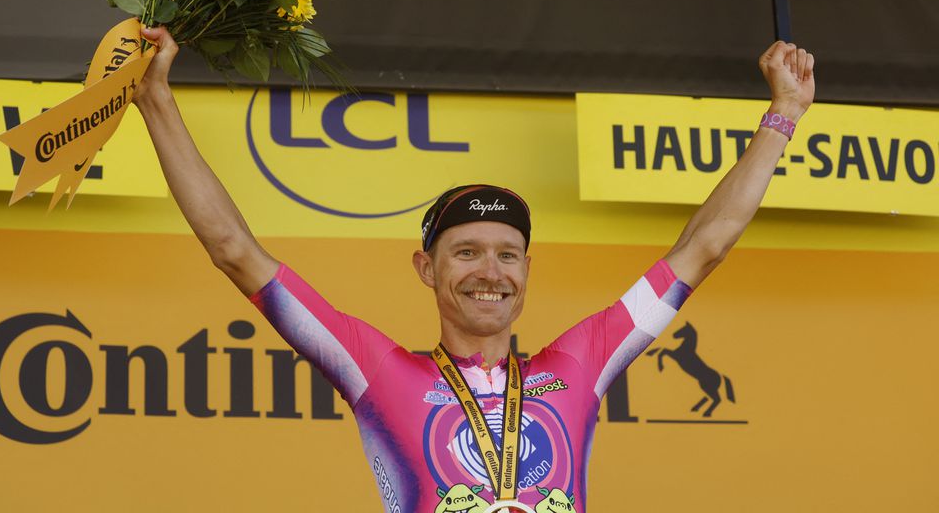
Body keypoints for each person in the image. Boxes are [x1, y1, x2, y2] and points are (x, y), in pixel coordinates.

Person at [134, 27, 814, 513]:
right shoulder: (378, 370)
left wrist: (783, 115)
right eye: (466, 252)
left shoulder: (578, 365)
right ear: (425, 268)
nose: (491, 271)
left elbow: (704, 247)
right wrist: (155, 99)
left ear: (526, 269)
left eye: (507, 254)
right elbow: (234, 250)